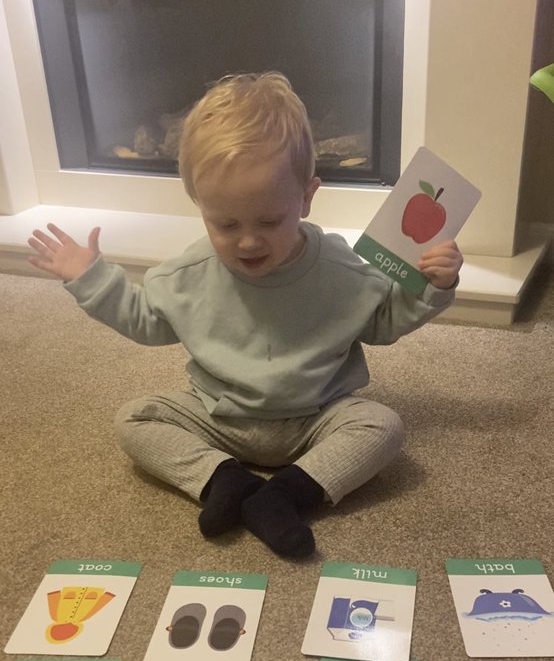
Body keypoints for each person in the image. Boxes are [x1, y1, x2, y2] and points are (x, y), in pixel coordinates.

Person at [27, 72, 463, 559]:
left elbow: (383, 321)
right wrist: (90, 278)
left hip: (316, 416)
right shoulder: (187, 274)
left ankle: (285, 495)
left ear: (307, 197)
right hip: (220, 416)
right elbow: (145, 320)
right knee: (135, 418)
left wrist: (432, 284)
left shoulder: (341, 268)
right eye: (226, 224)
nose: (249, 241)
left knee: (383, 426)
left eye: (269, 221)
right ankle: (223, 479)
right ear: (199, 205)